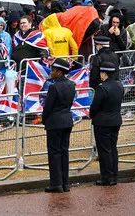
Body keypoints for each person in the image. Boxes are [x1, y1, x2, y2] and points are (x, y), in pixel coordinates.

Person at [42, 58, 76, 193]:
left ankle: (56, 183)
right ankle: (65, 183)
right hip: (66, 120)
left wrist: (44, 119)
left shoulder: (53, 87)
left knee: (54, 153)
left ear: (59, 72)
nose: (51, 72)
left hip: (54, 122)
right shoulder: (71, 84)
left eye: (53, 70)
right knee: (64, 152)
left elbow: (48, 107)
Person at [89, 61, 124, 186]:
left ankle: (107, 176)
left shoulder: (101, 87)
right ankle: (114, 174)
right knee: (113, 148)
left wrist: (91, 114)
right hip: (115, 120)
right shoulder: (119, 85)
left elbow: (95, 106)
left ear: (104, 73)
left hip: (102, 122)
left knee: (105, 151)